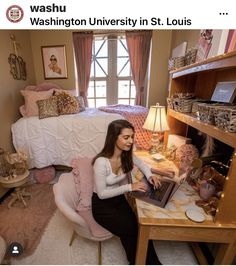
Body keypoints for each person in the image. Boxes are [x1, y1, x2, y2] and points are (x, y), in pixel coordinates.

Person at [92, 119, 162, 265]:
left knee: (137, 228)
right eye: (126, 137)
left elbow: (142, 164)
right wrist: (130, 187)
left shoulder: (126, 154)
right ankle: (143, 262)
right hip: (102, 205)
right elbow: (102, 194)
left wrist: (150, 175)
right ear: (113, 137)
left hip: (118, 199)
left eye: (132, 137)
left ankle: (141, 262)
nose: (131, 141)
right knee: (131, 231)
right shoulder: (101, 162)